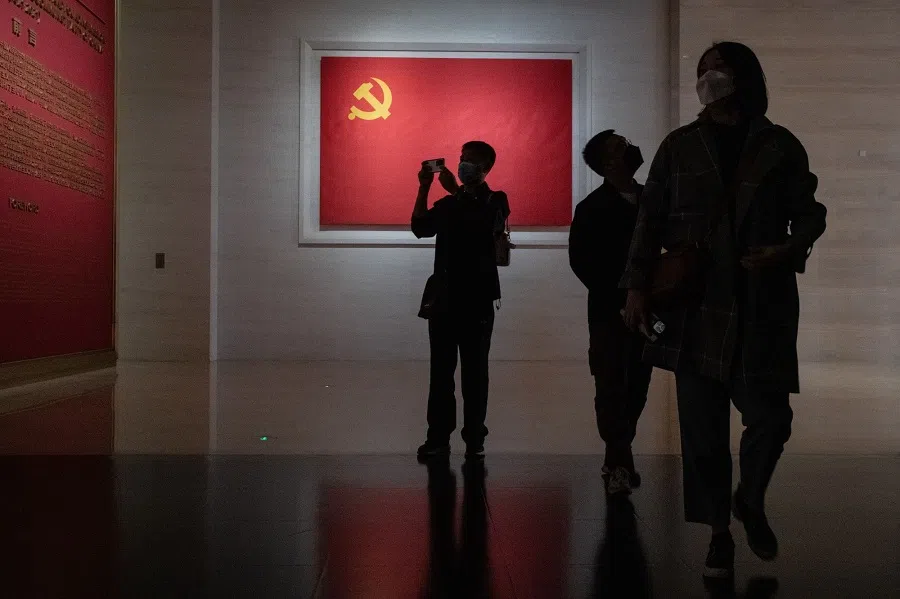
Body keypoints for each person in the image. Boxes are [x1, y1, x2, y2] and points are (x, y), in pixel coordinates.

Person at [620, 41, 826, 579]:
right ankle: (718, 532)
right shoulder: (680, 146)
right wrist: (635, 287)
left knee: (771, 417)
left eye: (720, 69)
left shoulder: (778, 145)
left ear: (743, 77)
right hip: (697, 304)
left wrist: (788, 248)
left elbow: (810, 211)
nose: (710, 77)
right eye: (702, 70)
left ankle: (749, 498)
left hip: (762, 300)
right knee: (703, 430)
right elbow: (648, 221)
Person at [412, 141, 510, 460]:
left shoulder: (496, 201)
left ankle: (474, 438)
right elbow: (420, 228)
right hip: (445, 300)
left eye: (471, 161)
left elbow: (483, 224)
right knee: (441, 373)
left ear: (486, 168)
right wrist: (424, 189)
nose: (463, 165)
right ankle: (438, 437)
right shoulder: (449, 204)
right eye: (462, 159)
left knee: (474, 373)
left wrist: (455, 192)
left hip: (478, 301)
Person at [569, 130, 653, 496]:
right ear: (607, 163)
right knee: (610, 384)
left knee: (637, 385)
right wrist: (620, 297)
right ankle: (619, 460)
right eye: (620, 146)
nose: (630, 147)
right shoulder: (591, 208)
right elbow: (582, 263)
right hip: (608, 312)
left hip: (651, 309)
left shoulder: (653, 199)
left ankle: (618, 454)